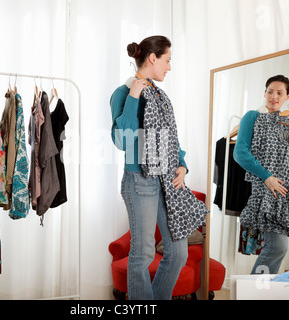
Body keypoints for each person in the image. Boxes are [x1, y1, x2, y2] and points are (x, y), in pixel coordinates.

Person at [110, 36, 207, 299]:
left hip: (166, 179)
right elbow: (122, 139)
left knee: (178, 252)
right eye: (167, 60)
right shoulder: (124, 93)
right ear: (152, 58)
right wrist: (133, 96)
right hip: (139, 180)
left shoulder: (160, 96)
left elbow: (172, 139)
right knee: (142, 253)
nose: (170, 67)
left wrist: (183, 166)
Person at [233, 75, 289, 274]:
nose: (273, 96)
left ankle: (260, 292)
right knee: (277, 247)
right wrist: (267, 176)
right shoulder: (253, 117)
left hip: (284, 195)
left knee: (277, 248)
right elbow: (240, 153)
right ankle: (254, 292)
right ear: (264, 93)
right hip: (265, 191)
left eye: (279, 93)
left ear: (287, 96)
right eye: (270, 91)